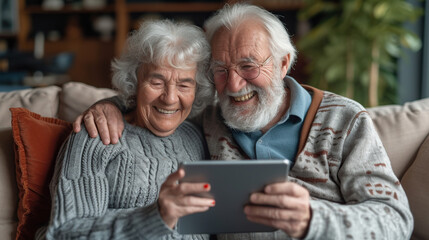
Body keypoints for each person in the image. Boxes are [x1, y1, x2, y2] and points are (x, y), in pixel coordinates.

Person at [75, 3, 413, 240]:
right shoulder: (209, 116)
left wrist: (313, 219)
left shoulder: (344, 120)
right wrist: (111, 107)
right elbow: (163, 100)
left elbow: (396, 221)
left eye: (249, 67)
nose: (234, 85)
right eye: (221, 70)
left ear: (283, 64)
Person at [37, 19, 216, 239]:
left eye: (184, 85)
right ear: (134, 81)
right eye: (156, 82)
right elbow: (66, 233)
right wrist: (156, 217)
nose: (170, 99)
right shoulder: (97, 135)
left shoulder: (198, 136)